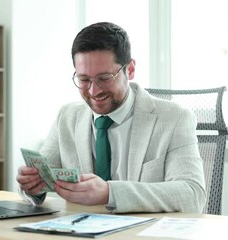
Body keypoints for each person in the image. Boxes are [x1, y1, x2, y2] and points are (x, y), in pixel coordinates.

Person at [16, 22, 206, 213]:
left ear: (130, 69)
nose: (94, 90)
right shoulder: (66, 118)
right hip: (80, 230)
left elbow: (192, 194)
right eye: (83, 79)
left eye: (105, 78)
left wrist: (110, 193)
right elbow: (41, 178)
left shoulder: (175, 118)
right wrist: (33, 187)